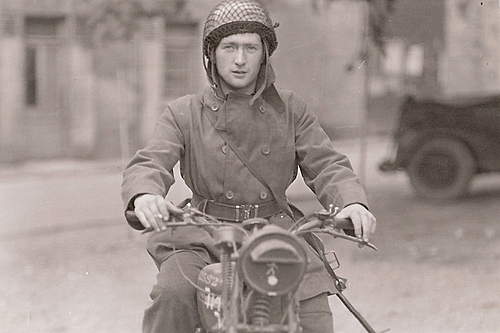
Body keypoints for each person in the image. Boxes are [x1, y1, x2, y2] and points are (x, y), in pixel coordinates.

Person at [121, 0, 376, 332]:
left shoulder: (292, 110)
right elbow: (151, 161)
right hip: (204, 235)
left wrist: (352, 202)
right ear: (211, 54)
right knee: (174, 293)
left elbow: (327, 164)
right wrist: (145, 196)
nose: (240, 59)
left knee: (314, 313)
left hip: (276, 232)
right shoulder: (183, 113)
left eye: (250, 48)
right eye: (229, 47)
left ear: (264, 55)